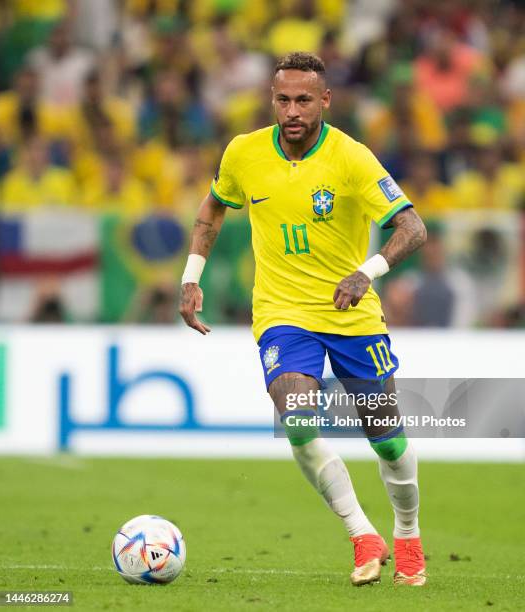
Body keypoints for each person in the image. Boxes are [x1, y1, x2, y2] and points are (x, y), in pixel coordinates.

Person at [179, 52, 427, 587]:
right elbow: (214, 206)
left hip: (352, 315)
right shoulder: (243, 153)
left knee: (386, 438)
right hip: (281, 312)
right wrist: (191, 274)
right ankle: (364, 533)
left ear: (325, 101)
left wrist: (368, 271)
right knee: (297, 418)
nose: (291, 111)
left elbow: (413, 228)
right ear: (272, 99)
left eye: (303, 100)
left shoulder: (352, 159)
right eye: (282, 99)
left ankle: (407, 533)